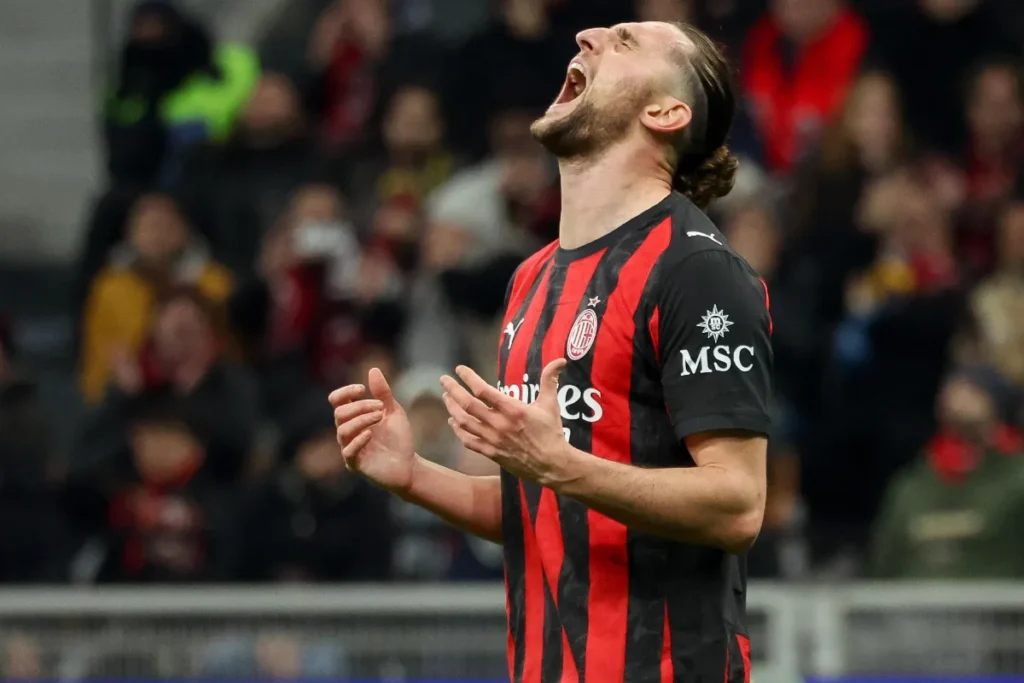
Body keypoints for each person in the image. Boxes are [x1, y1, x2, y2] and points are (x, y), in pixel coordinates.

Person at [330, 20, 772, 683]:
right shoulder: (532, 279)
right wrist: (415, 475)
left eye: (625, 42)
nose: (587, 34)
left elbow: (738, 503)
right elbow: (544, 505)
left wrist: (560, 464)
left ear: (666, 111)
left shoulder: (694, 268)